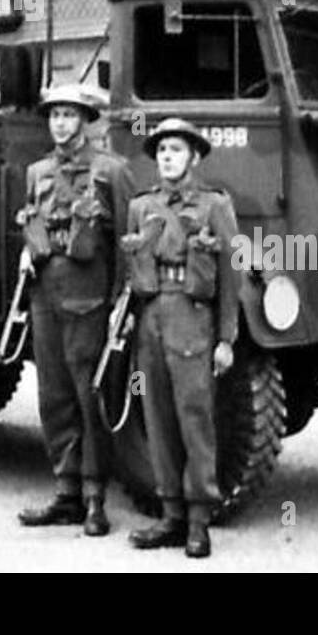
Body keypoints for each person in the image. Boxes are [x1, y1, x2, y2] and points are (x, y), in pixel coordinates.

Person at [16, 83, 135, 537]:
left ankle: (94, 498)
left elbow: (125, 241)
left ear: (86, 120)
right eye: (54, 115)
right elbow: (31, 222)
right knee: (54, 395)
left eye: (69, 115)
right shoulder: (37, 171)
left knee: (91, 398)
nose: (61, 123)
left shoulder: (111, 171)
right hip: (46, 293)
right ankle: (66, 492)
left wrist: (120, 301)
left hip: (89, 297)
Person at [122, 118, 241, 559]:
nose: (167, 157)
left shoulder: (214, 206)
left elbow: (233, 275)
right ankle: (170, 514)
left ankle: (198, 520)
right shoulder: (140, 206)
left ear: (193, 156)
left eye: (176, 149)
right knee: (158, 418)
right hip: (151, 315)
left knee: (195, 420)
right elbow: (130, 268)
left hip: (192, 318)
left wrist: (226, 337)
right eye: (162, 150)